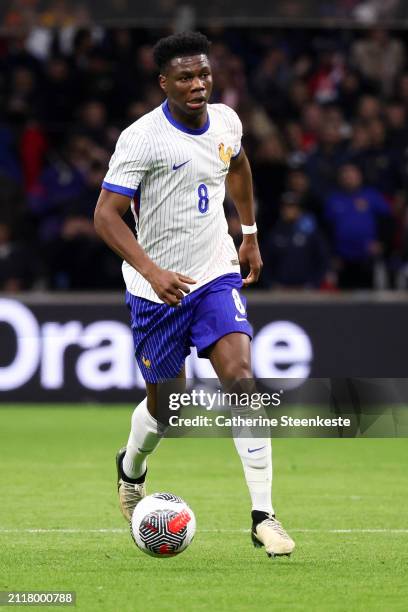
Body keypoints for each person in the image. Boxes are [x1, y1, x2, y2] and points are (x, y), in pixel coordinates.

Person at [94, 31, 295, 558]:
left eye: (203, 74)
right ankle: (131, 467)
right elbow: (104, 216)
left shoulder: (227, 120)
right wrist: (151, 269)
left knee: (240, 379)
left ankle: (263, 516)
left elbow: (239, 166)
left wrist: (248, 235)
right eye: (185, 77)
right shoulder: (142, 138)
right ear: (164, 83)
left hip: (214, 274)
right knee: (170, 413)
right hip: (155, 290)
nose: (197, 84)